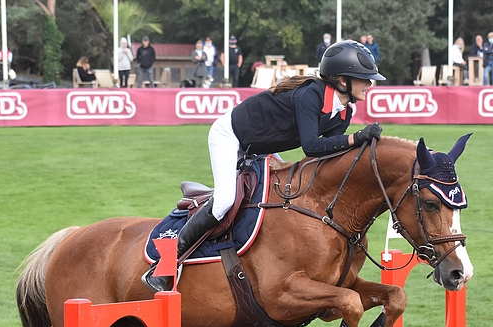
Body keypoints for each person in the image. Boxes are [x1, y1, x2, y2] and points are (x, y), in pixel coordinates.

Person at [142, 40, 385, 292]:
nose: (370, 84)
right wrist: (355, 138)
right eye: (365, 79)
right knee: (226, 199)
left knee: (284, 194)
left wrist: (360, 147)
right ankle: (165, 264)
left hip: (260, 146)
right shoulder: (310, 95)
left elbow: (327, 153)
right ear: (342, 80)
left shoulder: (344, 111)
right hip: (231, 136)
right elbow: (311, 146)